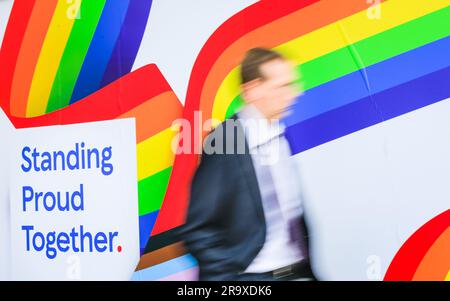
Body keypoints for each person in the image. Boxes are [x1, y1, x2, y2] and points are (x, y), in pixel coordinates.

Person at [181, 47, 316, 281]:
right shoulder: (226, 140)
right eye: (282, 86)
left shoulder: (279, 134)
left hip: (297, 272)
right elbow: (199, 229)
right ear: (252, 90)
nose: (295, 93)